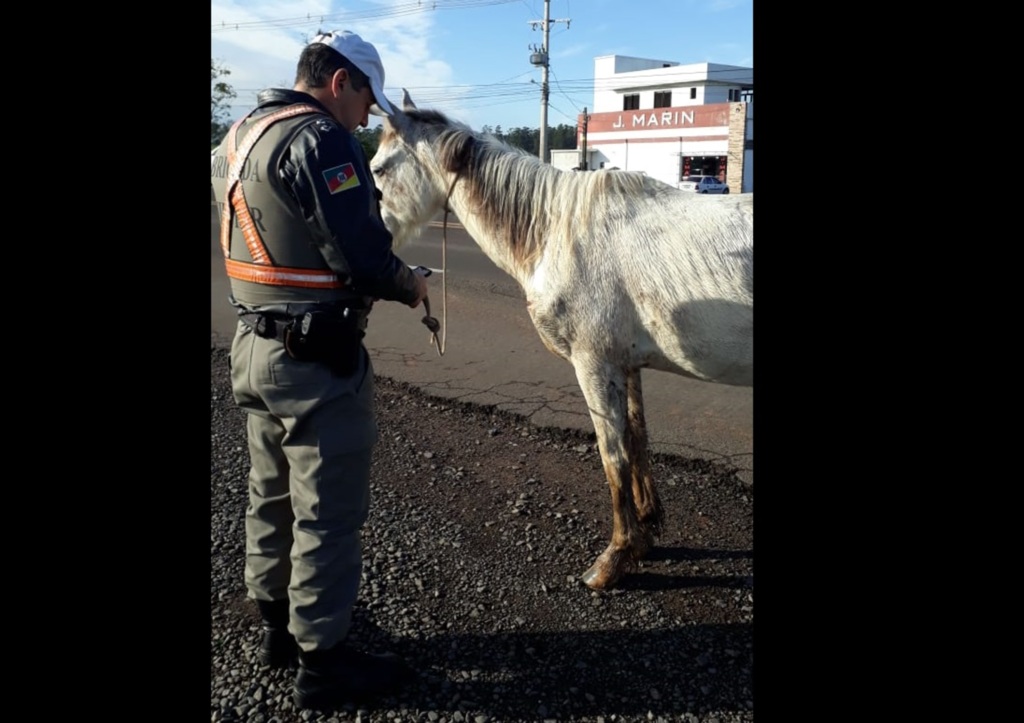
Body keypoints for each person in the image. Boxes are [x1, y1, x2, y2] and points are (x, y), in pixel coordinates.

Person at [210, 30, 428, 711]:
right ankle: (324, 660)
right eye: (366, 97)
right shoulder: (321, 140)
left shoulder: (240, 132)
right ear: (339, 82)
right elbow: (361, 250)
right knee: (327, 511)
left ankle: (277, 626)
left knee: (268, 492)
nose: (367, 115)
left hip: (252, 343)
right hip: (314, 358)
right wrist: (410, 283)